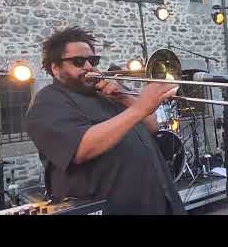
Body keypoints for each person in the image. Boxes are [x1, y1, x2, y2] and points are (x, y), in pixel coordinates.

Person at [26, 26, 185, 215]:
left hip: (159, 201)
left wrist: (123, 97)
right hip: (112, 207)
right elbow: (80, 148)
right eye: (78, 61)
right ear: (56, 68)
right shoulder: (48, 101)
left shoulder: (107, 93)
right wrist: (138, 107)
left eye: (93, 60)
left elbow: (152, 126)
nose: (88, 67)